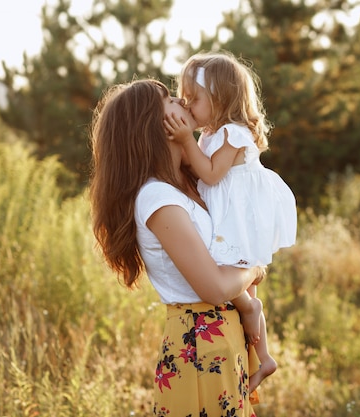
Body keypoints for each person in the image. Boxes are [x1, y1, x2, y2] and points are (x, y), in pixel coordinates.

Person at [89, 78, 262, 416]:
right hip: (198, 344)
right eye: (168, 100)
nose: (182, 101)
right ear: (152, 127)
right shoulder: (157, 198)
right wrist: (256, 268)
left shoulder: (190, 183)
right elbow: (213, 287)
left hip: (221, 340)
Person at [164, 51, 298, 391]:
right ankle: (261, 358)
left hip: (239, 211)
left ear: (220, 99)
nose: (188, 105)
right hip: (228, 208)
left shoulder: (234, 133)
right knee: (243, 282)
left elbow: (209, 174)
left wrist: (184, 140)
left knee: (232, 269)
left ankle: (260, 343)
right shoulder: (211, 134)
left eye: (195, 99)